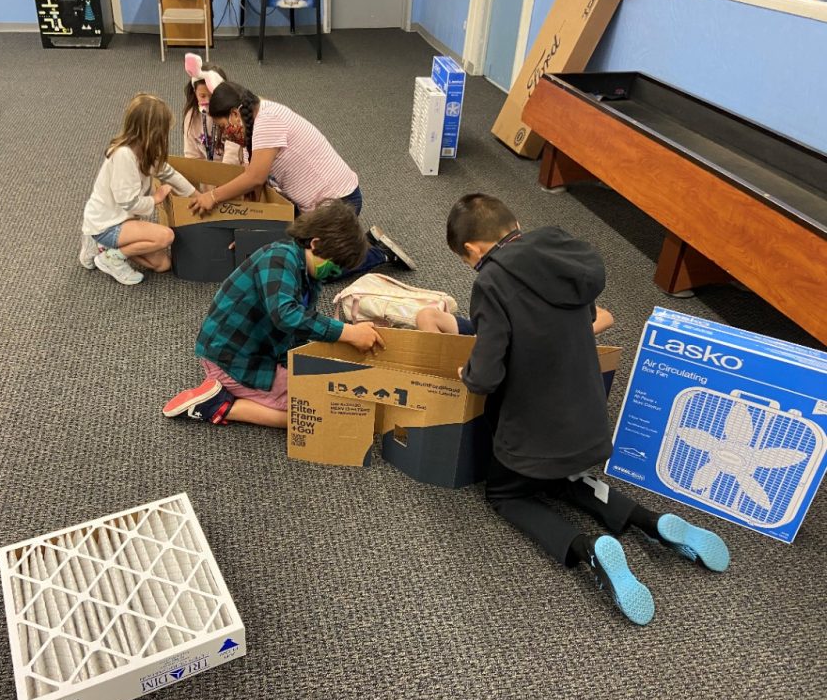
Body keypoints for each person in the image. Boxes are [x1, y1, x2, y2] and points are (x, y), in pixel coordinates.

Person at [448, 193, 729, 626]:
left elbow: (486, 377)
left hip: (534, 436)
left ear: (472, 250)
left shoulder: (491, 282)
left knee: (506, 494)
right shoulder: (565, 254)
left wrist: (466, 372)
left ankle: (588, 551)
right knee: (566, 478)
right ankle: (649, 522)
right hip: (589, 427)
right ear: (514, 222)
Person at [162, 200, 385, 429]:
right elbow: (286, 315)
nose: (336, 273)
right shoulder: (279, 258)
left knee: (317, 392)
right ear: (316, 244)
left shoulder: (308, 275)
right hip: (230, 360)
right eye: (335, 265)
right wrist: (347, 332)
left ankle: (235, 391)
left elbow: (298, 326)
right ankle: (219, 404)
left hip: (256, 353)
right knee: (308, 411)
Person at [186, 72, 416, 274]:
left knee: (310, 269)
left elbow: (254, 177)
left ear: (236, 113)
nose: (225, 134)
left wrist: (213, 196)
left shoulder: (267, 121)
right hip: (308, 206)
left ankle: (378, 253)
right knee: (281, 252)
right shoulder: (254, 127)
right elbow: (254, 187)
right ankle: (356, 241)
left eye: (224, 126)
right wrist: (250, 233)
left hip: (340, 202)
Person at [79, 93, 198, 285]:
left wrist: (197, 196)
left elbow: (169, 173)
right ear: (151, 132)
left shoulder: (146, 151)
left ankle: (103, 248)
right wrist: (156, 198)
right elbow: (129, 202)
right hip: (108, 224)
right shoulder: (124, 155)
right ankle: (111, 257)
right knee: (166, 236)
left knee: (163, 264)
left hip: (124, 220)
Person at [182, 53, 244, 165]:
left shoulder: (232, 117)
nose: (208, 102)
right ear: (194, 93)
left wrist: (218, 179)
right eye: (202, 96)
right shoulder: (191, 116)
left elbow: (232, 160)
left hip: (231, 170)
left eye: (213, 95)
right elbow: (191, 156)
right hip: (206, 172)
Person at [416, 303, 614, 336]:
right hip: (485, 334)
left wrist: (573, 335)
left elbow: (606, 317)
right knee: (426, 315)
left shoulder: (566, 297)